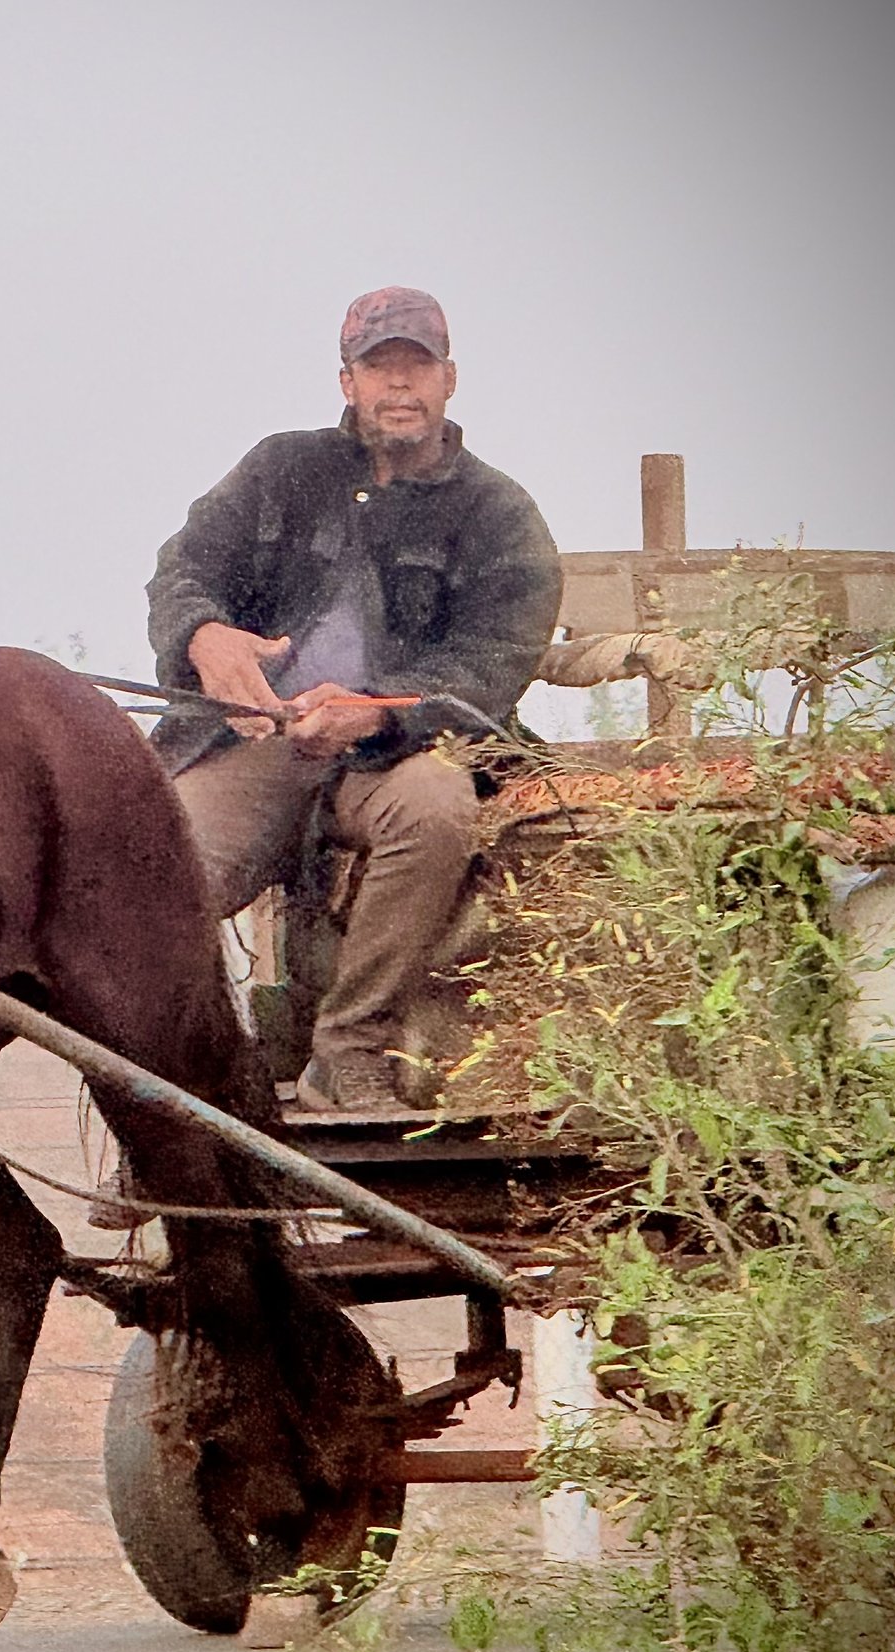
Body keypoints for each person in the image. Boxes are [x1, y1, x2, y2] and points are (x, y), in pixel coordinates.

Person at [145, 286, 561, 1111]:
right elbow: (182, 570)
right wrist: (204, 636)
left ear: (450, 380)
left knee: (441, 808)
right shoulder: (278, 469)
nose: (399, 386)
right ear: (347, 383)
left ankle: (351, 1046)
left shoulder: (499, 513)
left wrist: (377, 711)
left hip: (397, 753)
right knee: (157, 867)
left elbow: (491, 665)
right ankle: (195, 1082)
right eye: (379, 368)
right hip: (256, 746)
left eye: (417, 367)